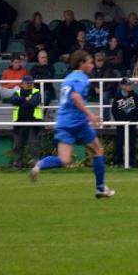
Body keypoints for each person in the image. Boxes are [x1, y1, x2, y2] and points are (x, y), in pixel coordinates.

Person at [29, 51, 115, 198]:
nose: (92, 65)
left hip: (63, 122)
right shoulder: (81, 79)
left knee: (64, 160)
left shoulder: (67, 79)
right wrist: (91, 116)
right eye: (89, 62)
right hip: (79, 124)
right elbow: (75, 97)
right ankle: (100, 188)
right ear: (81, 64)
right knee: (98, 150)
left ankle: (39, 165)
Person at [9, 75, 43, 169]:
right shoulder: (18, 92)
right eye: (27, 83)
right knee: (17, 146)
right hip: (19, 123)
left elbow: (33, 103)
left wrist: (21, 102)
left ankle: (35, 165)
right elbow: (12, 100)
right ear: (22, 84)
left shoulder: (37, 93)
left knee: (34, 145)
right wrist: (24, 99)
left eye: (30, 83)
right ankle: (17, 165)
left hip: (33, 123)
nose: (28, 85)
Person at [110, 78, 138, 167]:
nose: (129, 87)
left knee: (132, 144)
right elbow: (114, 111)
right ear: (122, 86)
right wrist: (119, 121)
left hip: (131, 125)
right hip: (120, 125)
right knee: (119, 144)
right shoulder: (117, 96)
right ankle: (119, 163)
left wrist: (133, 120)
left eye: (130, 85)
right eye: (127, 85)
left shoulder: (135, 96)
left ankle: (132, 163)